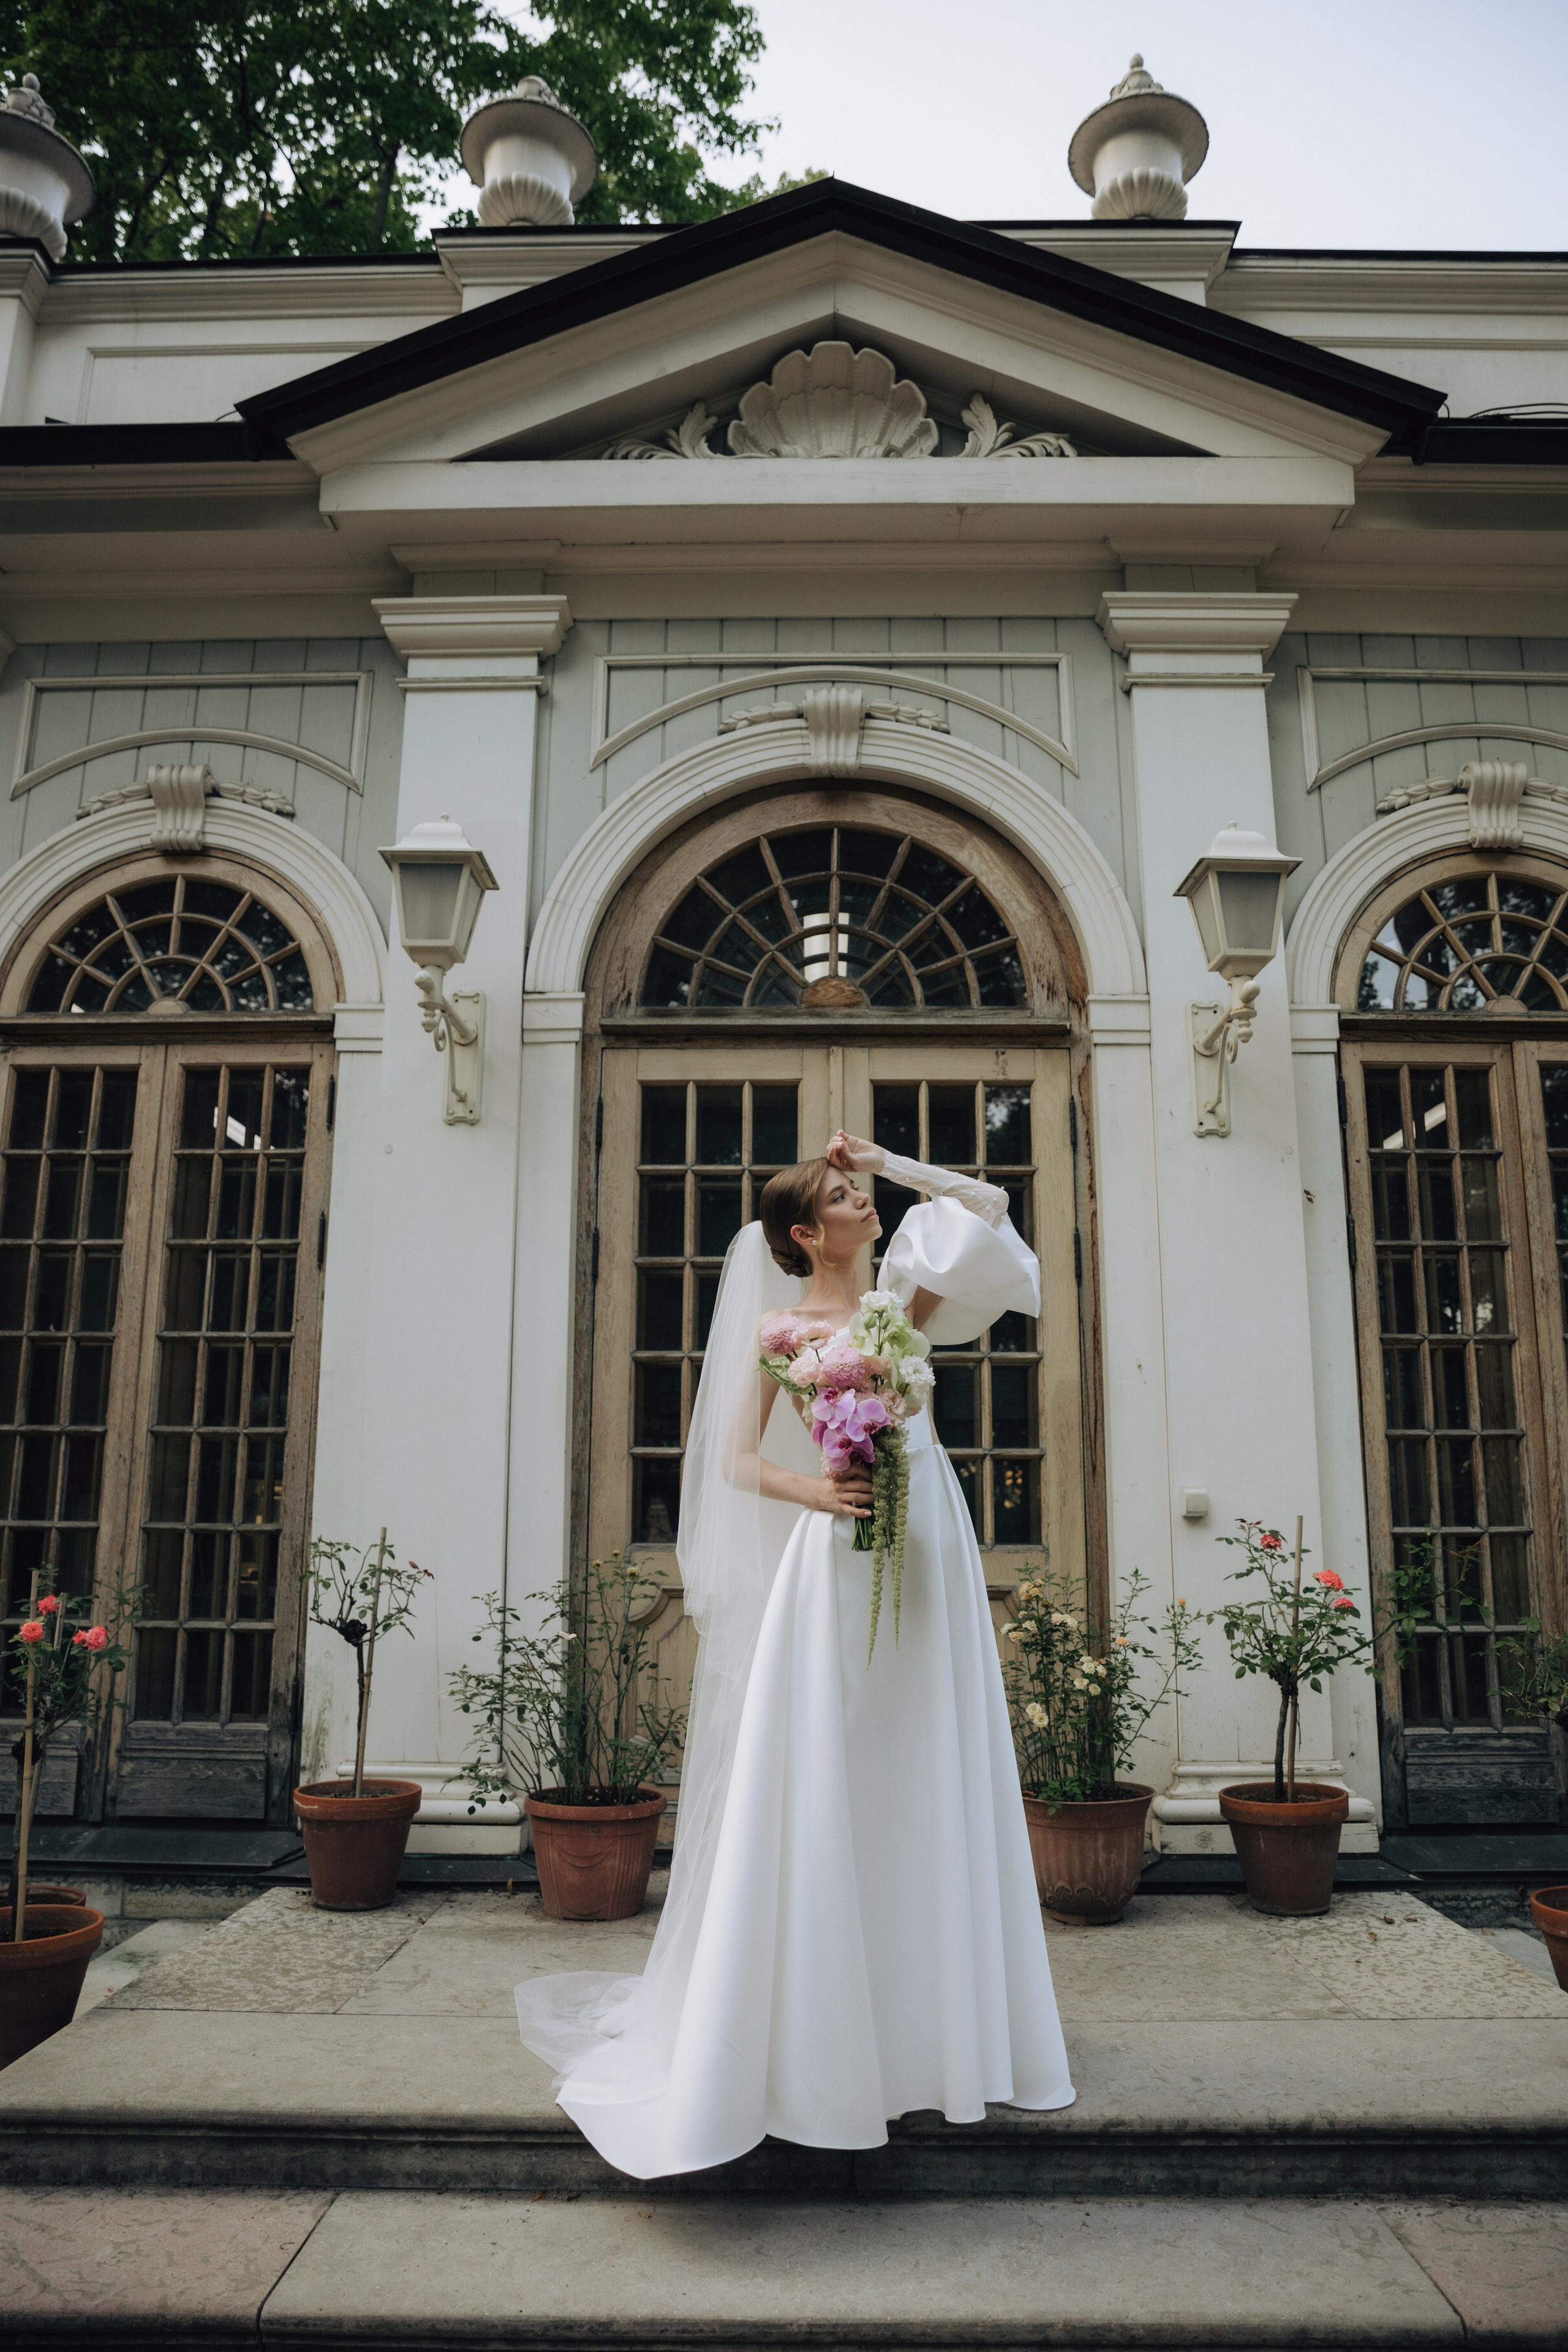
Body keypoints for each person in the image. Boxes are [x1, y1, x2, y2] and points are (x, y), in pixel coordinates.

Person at [514, 1128, 1074, 2177]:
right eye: (848, 1193)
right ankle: (813, 2029)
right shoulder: (782, 1330)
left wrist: (891, 1158)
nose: (867, 1201)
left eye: (864, 1189)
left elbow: (990, 1206)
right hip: (841, 1547)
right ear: (807, 1233)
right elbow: (730, 1461)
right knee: (829, 1758)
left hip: (929, 1538)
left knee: (925, 1759)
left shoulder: (902, 1299)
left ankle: (931, 2026)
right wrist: (817, 1489)